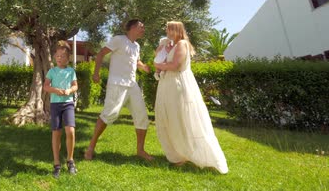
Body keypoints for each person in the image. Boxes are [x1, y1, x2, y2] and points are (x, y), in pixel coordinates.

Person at [154, 21, 228, 174]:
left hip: (177, 84)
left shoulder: (182, 44)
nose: (166, 31)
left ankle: (196, 154)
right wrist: (163, 50)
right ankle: (178, 155)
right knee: (170, 118)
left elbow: (175, 65)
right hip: (167, 84)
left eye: (169, 29)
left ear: (176, 30)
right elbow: (158, 57)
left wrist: (160, 65)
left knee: (181, 118)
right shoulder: (170, 44)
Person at [84, 19, 153, 161]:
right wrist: (96, 73)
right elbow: (101, 54)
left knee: (142, 117)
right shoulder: (118, 40)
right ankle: (90, 147)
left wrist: (144, 67)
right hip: (117, 84)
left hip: (132, 85)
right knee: (110, 114)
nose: (143, 29)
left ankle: (140, 150)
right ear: (132, 27)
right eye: (141, 26)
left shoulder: (137, 46)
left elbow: (136, 61)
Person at [43, 41, 79, 178]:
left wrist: (70, 90)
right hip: (55, 105)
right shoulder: (52, 71)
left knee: (70, 130)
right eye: (57, 56)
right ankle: (57, 164)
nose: (60, 58)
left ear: (68, 58)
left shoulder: (71, 71)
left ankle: (70, 161)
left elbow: (75, 86)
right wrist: (55, 90)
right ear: (54, 57)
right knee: (56, 133)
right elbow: (46, 87)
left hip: (68, 104)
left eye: (63, 56)